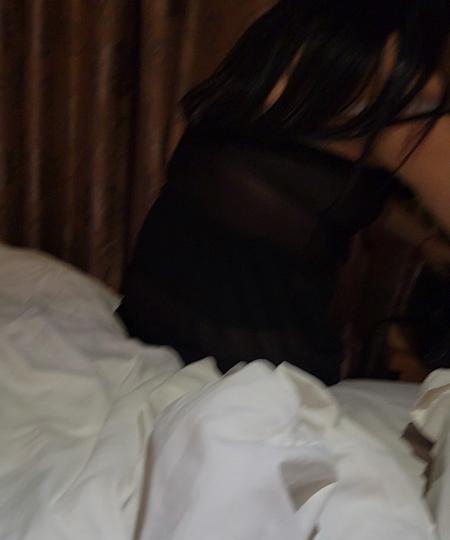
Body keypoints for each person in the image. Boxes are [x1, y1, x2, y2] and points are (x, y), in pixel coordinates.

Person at [118, 0, 450, 385]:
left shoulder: (298, 28)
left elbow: (301, 182)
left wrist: (425, 241)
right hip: (241, 358)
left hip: (150, 312)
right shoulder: (404, 86)